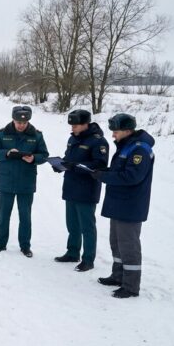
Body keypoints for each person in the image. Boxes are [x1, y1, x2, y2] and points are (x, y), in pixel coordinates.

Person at [92, 113, 155, 298]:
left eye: (116, 131)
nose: (113, 135)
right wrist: (104, 171)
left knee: (129, 246)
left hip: (130, 205)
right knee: (116, 243)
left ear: (127, 131)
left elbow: (132, 176)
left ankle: (131, 286)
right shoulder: (126, 146)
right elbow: (120, 170)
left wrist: (105, 176)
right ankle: (118, 276)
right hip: (119, 203)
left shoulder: (139, 150)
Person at [0, 105, 49, 257]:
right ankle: (0, 244)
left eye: (24, 122)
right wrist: (6, 153)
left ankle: (25, 246)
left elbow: (44, 155)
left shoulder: (37, 135)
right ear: (13, 120)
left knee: (25, 216)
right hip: (6, 181)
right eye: (18, 122)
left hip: (26, 182)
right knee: (4, 215)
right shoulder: (2, 133)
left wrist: (33, 158)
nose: (21, 125)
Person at [52, 109, 109, 272]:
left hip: (86, 189)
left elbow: (100, 165)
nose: (73, 128)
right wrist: (60, 165)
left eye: (76, 125)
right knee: (72, 224)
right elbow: (68, 158)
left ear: (86, 124)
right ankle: (72, 252)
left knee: (87, 227)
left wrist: (75, 166)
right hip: (71, 186)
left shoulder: (99, 142)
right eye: (71, 125)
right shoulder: (73, 138)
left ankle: (88, 259)